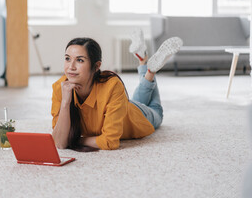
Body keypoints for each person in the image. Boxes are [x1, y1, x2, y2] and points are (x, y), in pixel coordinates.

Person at [51, 31, 183, 151]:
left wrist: (74, 140)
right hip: (123, 106)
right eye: (67, 58)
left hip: (139, 116)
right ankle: (145, 63)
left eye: (79, 60)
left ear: (96, 66)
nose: (71, 67)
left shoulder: (112, 86)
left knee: (156, 110)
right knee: (134, 101)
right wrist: (65, 103)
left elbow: (110, 141)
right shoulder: (60, 87)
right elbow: (59, 143)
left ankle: (150, 70)